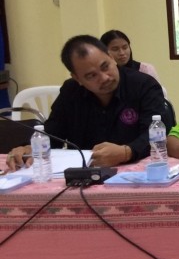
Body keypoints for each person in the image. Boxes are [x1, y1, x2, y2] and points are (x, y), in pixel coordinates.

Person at [6, 35, 170, 170]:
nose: (104, 78)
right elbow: (53, 133)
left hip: (135, 171)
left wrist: (127, 152)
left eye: (105, 66)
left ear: (111, 57)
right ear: (77, 78)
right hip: (83, 174)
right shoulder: (71, 91)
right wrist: (29, 148)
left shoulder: (143, 85)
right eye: (91, 75)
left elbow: (157, 135)